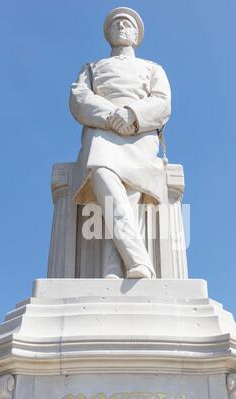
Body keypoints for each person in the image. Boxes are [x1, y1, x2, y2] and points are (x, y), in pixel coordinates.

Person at [69, 7, 171, 279]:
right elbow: (79, 99)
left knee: (129, 194)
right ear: (108, 34)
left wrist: (132, 115)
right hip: (102, 132)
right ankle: (138, 258)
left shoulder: (153, 69)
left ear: (137, 35)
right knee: (101, 171)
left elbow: (162, 102)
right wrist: (111, 116)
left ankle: (114, 269)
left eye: (129, 24)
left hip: (140, 133)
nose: (123, 26)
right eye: (117, 23)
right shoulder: (91, 68)